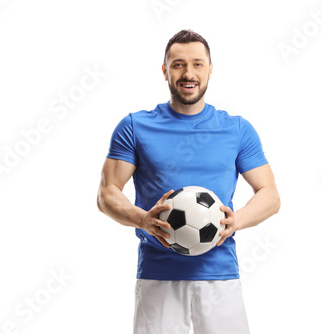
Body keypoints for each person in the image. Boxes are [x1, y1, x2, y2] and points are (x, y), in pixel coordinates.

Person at [97, 29, 280, 334]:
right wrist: (143, 219)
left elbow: (270, 194)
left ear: (210, 69)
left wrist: (237, 221)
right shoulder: (135, 126)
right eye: (178, 64)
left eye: (197, 64)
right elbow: (107, 194)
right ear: (165, 71)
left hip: (220, 277)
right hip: (158, 277)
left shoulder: (237, 129)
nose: (188, 72)